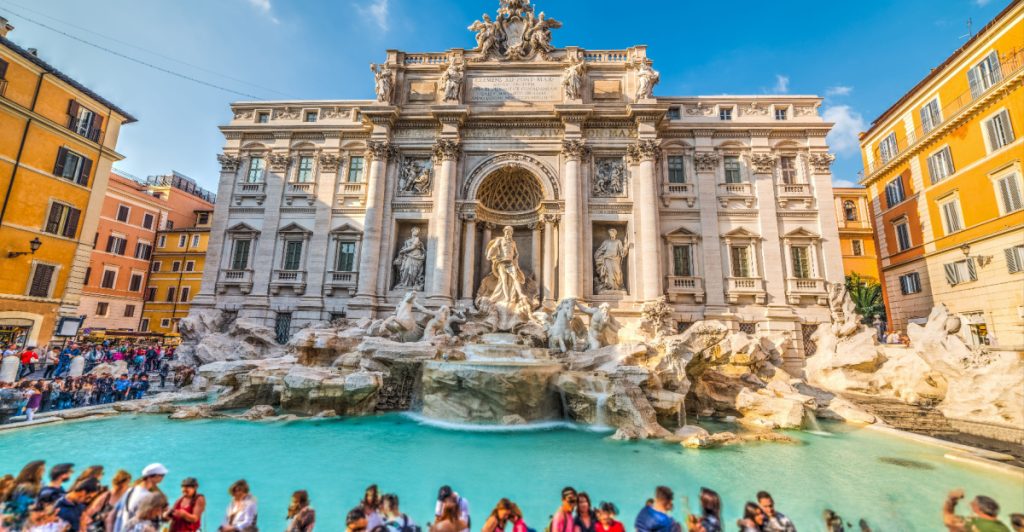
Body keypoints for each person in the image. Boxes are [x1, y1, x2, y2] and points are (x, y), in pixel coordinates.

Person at [115, 463, 168, 532]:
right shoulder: (146, 496)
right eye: (162, 475)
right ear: (154, 476)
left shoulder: (130, 490)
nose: (162, 478)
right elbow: (147, 521)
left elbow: (115, 513)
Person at [5, 460, 47, 530]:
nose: (44, 472)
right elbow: (21, 507)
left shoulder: (39, 483)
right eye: (42, 470)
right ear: (35, 472)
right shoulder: (26, 487)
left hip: (27, 521)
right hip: (22, 522)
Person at [942, 488, 1010, 532]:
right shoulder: (1004, 528)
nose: (969, 504)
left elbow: (948, 519)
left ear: (979, 509)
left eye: (972, 504)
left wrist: (951, 500)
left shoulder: (972, 523)